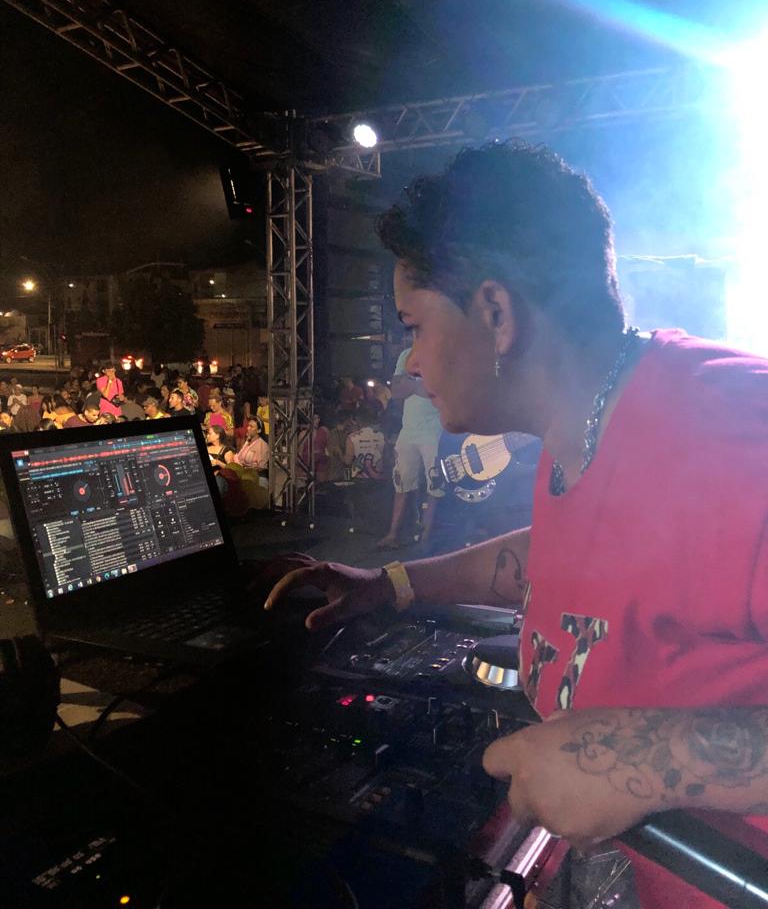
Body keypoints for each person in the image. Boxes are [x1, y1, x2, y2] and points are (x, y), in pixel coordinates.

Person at [265, 140, 768, 909]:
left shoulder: (737, 433)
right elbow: (571, 558)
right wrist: (391, 584)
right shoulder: (585, 428)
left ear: (496, 314)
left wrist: (647, 754)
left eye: (413, 326)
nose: (410, 363)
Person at [376, 344, 444, 549]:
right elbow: (396, 391)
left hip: (434, 431)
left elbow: (438, 392)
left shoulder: (441, 352)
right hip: (409, 431)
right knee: (402, 483)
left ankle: (425, 537)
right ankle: (393, 534)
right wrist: (419, 386)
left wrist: (411, 386)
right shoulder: (406, 354)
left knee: (435, 485)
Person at [343, 406, 385, 480]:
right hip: (378, 479)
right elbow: (385, 458)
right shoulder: (381, 436)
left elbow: (347, 461)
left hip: (359, 480)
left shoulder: (352, 437)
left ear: (358, 420)